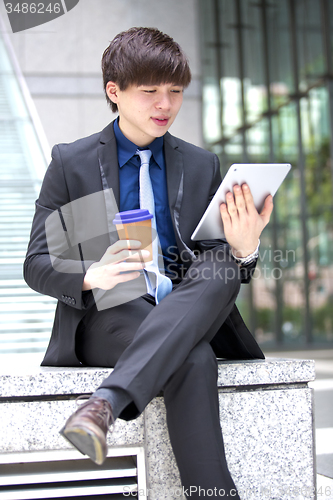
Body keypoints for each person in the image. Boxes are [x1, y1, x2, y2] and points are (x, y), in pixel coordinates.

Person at [24, 27, 273, 499]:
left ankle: (103, 405)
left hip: (186, 306)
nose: (166, 104)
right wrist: (89, 276)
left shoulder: (201, 165)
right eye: (150, 91)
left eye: (176, 91)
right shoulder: (72, 163)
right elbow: (36, 263)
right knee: (195, 357)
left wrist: (245, 250)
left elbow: (220, 273)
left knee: (221, 263)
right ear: (113, 92)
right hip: (112, 313)